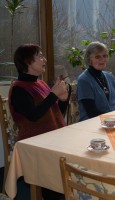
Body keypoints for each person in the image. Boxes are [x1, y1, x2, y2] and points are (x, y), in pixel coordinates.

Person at [9, 44, 69, 200]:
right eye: (40, 56)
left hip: (51, 141)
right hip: (35, 146)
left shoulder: (40, 84)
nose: (45, 59)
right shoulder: (18, 89)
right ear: (28, 61)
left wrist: (62, 100)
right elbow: (34, 116)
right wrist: (53, 95)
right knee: (57, 183)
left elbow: (54, 113)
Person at [77, 41, 115, 121]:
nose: (102, 59)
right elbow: (92, 112)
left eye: (105, 56)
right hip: (91, 125)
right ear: (89, 59)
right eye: (97, 57)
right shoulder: (84, 80)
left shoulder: (110, 77)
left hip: (113, 123)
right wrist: (113, 119)